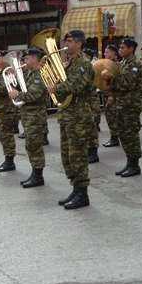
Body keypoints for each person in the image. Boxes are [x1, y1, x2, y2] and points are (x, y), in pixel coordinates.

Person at [48, 30, 95, 210]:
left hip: (79, 116)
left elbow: (76, 86)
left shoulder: (83, 64)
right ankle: (75, 189)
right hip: (67, 115)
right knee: (67, 155)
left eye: (69, 41)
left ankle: (82, 193)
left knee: (77, 156)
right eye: (65, 41)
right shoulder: (69, 63)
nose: (65, 45)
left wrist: (56, 87)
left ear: (79, 43)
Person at [9, 47, 48, 188]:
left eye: (27, 58)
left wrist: (17, 95)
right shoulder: (30, 74)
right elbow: (21, 87)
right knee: (31, 145)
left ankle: (38, 176)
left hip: (35, 116)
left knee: (35, 146)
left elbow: (33, 95)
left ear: (34, 59)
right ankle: (35, 173)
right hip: (28, 116)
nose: (24, 61)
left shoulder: (39, 74)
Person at [104, 38, 142, 177]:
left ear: (131, 49)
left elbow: (128, 83)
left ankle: (135, 165)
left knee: (131, 134)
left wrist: (111, 78)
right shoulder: (122, 63)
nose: (120, 49)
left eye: (123, 47)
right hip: (121, 103)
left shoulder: (135, 65)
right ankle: (129, 162)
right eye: (120, 47)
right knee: (123, 134)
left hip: (131, 105)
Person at [0, 50, 19, 172]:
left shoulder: (8, 71)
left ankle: (10, 161)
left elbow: (4, 89)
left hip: (7, 109)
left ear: (4, 59)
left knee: (6, 135)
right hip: (3, 109)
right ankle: (8, 159)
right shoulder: (2, 72)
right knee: (3, 135)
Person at [84, 48, 101, 164]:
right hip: (85, 101)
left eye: (84, 55)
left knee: (92, 127)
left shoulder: (92, 67)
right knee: (87, 127)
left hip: (91, 99)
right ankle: (89, 150)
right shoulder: (84, 66)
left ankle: (94, 153)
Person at [102, 45, 120, 148]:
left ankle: (115, 138)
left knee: (113, 117)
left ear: (114, 54)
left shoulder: (116, 66)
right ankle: (114, 137)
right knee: (110, 117)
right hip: (108, 95)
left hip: (114, 97)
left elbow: (115, 83)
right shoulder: (107, 65)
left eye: (107, 52)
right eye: (105, 52)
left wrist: (111, 96)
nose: (105, 54)